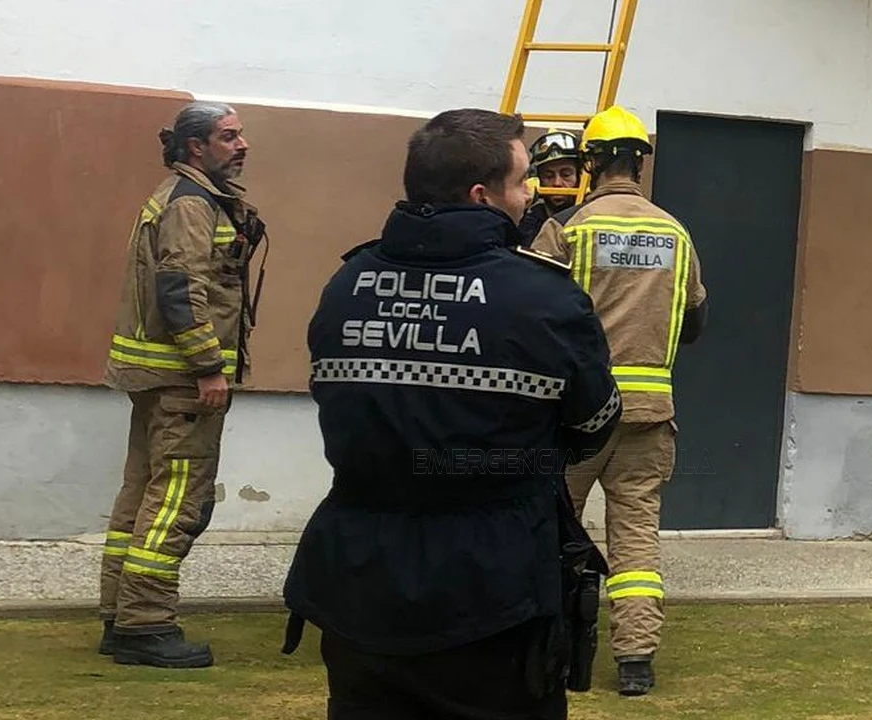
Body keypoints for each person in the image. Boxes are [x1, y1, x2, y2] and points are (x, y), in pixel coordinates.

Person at [281, 108, 621, 719]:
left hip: (358, 575)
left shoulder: (348, 281)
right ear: (482, 196)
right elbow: (595, 423)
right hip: (495, 584)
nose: (531, 197)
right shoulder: (542, 295)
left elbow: (339, 399)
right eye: (522, 183)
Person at [530, 105, 709, 696]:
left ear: (594, 162)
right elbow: (694, 322)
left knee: (554, 533)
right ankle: (636, 660)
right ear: (639, 162)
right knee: (636, 540)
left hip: (575, 418)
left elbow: (531, 317)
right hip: (649, 420)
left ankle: (548, 651)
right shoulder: (676, 233)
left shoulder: (569, 230)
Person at [97, 100, 269, 668]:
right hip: (182, 381)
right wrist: (207, 368)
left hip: (156, 375)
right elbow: (180, 288)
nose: (242, 145)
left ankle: (118, 613)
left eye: (241, 135)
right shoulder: (194, 205)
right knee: (177, 499)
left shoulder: (181, 197)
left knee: (141, 494)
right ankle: (145, 624)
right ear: (197, 147)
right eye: (229, 136)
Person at [518, 129, 582, 244]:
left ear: (580, 177)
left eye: (566, 175)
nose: (557, 183)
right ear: (537, 179)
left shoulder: (590, 216)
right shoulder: (527, 222)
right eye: (548, 176)